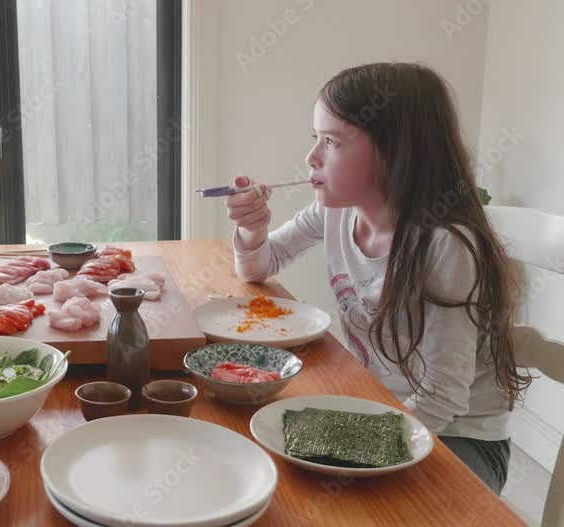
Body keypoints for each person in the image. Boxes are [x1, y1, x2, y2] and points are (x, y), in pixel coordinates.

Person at [226, 62, 529, 493]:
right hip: (381, 407)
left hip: (459, 438)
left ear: (395, 151)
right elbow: (258, 266)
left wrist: (354, 450)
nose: (311, 157)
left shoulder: (446, 245)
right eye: (316, 138)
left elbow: (443, 396)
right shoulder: (334, 212)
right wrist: (252, 229)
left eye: (331, 141)